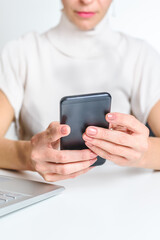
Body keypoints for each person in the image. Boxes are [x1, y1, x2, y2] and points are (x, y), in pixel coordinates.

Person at [0, 0, 160, 182]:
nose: (86, 1)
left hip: (119, 199)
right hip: (41, 198)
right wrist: (26, 156)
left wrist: (143, 153)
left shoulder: (140, 55)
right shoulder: (21, 52)